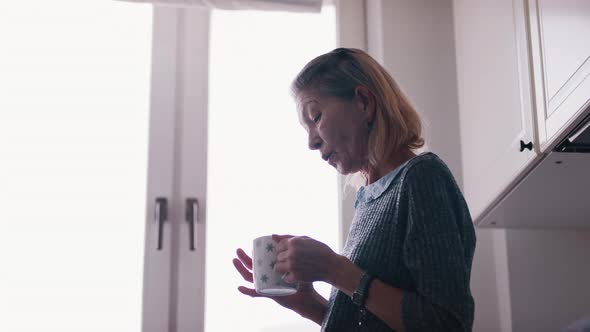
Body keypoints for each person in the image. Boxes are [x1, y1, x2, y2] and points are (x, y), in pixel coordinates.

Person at [232, 47, 476, 331]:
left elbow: (447, 324)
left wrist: (333, 269)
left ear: (363, 102)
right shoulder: (368, 200)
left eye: (316, 117)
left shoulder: (422, 179)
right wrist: (311, 306)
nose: (311, 142)